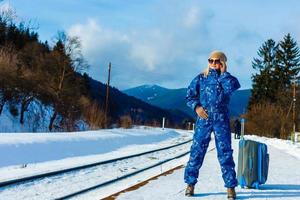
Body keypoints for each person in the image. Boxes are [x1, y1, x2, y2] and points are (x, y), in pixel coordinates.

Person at [184, 50, 240, 200]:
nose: (213, 63)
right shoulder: (201, 78)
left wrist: (224, 74)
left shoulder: (227, 79)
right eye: (211, 60)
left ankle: (230, 187)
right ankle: (190, 184)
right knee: (196, 152)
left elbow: (232, 87)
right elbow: (189, 95)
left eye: (217, 61)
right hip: (204, 120)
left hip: (221, 120)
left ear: (223, 62)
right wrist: (197, 107)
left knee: (225, 153)